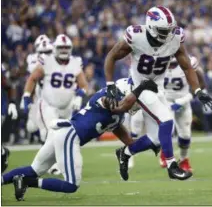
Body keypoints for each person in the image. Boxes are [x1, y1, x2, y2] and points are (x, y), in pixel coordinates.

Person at [1, 78, 158, 201]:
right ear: (125, 92)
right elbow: (114, 105)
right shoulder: (108, 98)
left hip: (62, 132)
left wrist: (144, 144)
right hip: (70, 134)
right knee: (71, 184)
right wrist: (140, 88)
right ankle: (26, 182)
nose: (136, 103)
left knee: (34, 170)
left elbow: (124, 136)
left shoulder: (119, 114)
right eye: (135, 98)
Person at [105, 6, 212, 180]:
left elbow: (186, 65)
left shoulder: (175, 37)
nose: (169, 34)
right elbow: (111, 56)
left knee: (156, 139)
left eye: (170, 30)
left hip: (158, 87)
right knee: (166, 119)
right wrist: (110, 83)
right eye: (164, 30)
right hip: (139, 87)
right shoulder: (137, 36)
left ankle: (125, 152)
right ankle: (172, 165)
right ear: (151, 27)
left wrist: (198, 90)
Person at [23, 34, 89, 175]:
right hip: (48, 104)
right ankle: (46, 166)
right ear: (55, 48)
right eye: (61, 47)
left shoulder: (75, 62)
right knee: (50, 133)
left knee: (64, 135)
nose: (64, 50)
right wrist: (27, 95)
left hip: (67, 106)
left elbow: (83, 85)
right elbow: (32, 78)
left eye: (67, 47)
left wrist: (79, 96)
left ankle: (52, 164)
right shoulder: (47, 61)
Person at [160, 55, 209, 172]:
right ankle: (165, 152)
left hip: (184, 101)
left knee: (185, 135)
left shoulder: (189, 61)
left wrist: (185, 99)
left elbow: (201, 84)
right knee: (167, 131)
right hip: (165, 101)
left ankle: (184, 160)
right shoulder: (158, 61)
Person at [23, 35, 52, 143]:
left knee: (48, 130)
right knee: (33, 127)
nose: (46, 53)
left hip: (53, 98)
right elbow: (31, 78)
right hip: (39, 97)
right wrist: (27, 96)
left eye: (48, 51)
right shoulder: (33, 59)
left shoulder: (58, 58)